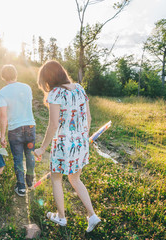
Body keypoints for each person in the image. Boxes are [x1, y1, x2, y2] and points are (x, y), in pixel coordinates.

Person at [34, 60, 101, 232]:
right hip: (80, 142)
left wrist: (42, 148)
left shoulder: (55, 93)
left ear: (48, 78)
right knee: (75, 178)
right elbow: (89, 118)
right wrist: (82, 138)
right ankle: (92, 215)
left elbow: (54, 124)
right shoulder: (79, 88)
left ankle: (61, 217)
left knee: (57, 179)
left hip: (64, 144)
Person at [0, 64, 36, 197]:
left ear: (3, 77)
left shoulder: (2, 92)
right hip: (30, 126)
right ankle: (30, 180)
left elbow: (3, 116)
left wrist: (2, 135)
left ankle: (21, 187)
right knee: (30, 154)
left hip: (14, 130)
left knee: (18, 158)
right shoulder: (27, 87)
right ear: (16, 74)